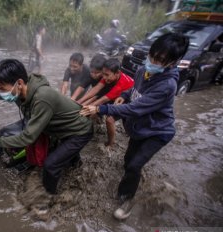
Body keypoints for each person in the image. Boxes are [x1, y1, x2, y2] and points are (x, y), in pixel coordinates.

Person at [80, 33, 189, 220]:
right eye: (152, 55)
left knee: (134, 165)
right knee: (128, 159)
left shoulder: (167, 85)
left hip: (157, 132)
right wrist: (126, 94)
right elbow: (134, 91)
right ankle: (134, 175)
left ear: (172, 63)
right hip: (139, 128)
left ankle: (126, 199)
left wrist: (100, 108)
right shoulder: (142, 71)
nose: (152, 61)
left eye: (159, 60)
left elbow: (135, 109)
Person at [0, 59, 93, 195]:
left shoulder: (42, 98)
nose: (0, 92)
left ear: (19, 83)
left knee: (50, 166)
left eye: (2, 88)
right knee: (67, 156)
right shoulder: (21, 89)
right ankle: (75, 166)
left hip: (79, 131)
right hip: (59, 127)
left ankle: (51, 196)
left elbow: (28, 137)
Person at [77, 58, 134, 147]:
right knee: (94, 110)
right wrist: (79, 102)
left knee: (109, 120)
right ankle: (98, 124)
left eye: (107, 75)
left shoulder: (121, 83)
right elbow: (96, 89)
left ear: (117, 73)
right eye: (103, 74)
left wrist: (83, 109)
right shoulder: (108, 75)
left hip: (129, 99)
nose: (104, 77)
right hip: (117, 96)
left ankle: (110, 144)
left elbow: (103, 100)